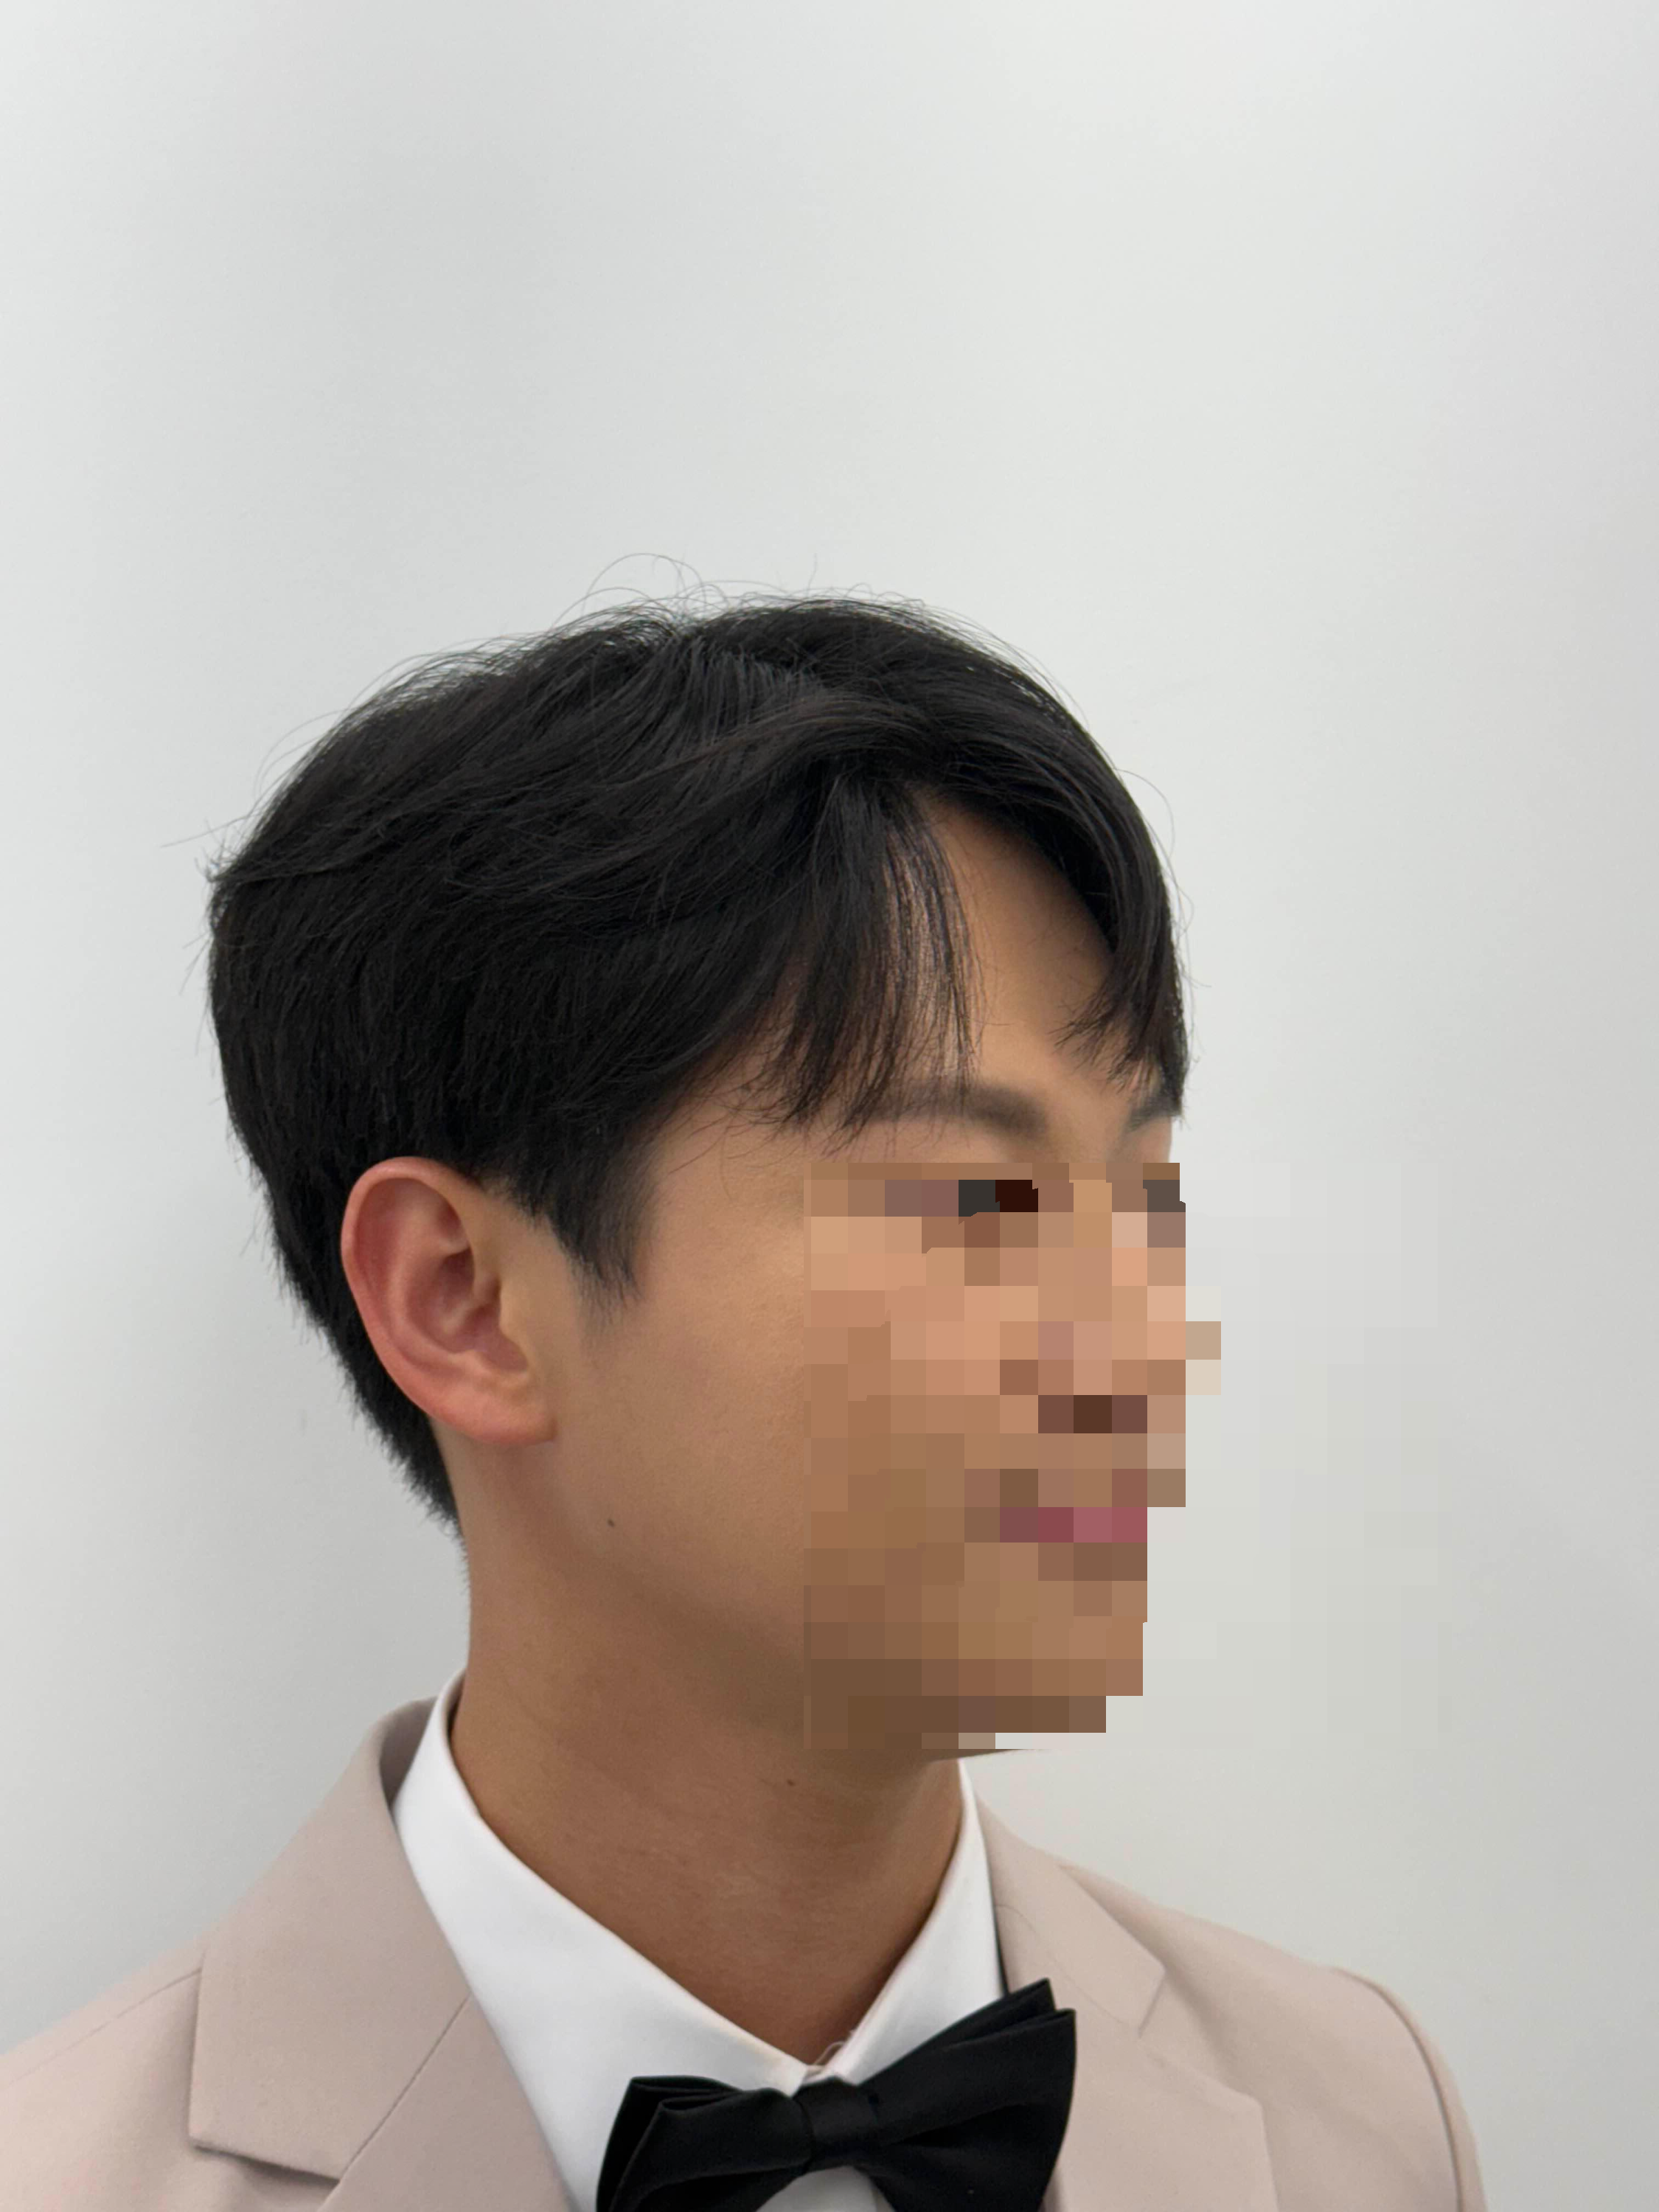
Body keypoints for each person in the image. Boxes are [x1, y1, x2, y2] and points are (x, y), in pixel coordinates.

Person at [0, 595, 1486, 2209]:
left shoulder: (1354, 2118)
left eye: (1144, 1194)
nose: (1137, 1344)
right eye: (973, 1198)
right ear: (462, 1301)